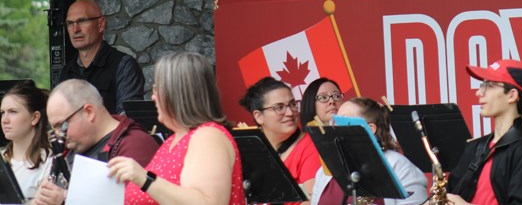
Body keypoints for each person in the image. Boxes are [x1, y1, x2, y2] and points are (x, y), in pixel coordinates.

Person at [108, 52, 246, 205]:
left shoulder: (208, 136)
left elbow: (207, 202)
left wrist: (144, 179)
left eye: (156, 90)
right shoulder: (173, 140)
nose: (153, 97)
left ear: (176, 93)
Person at [30, 79, 159, 205]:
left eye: (61, 125)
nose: (59, 134)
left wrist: (66, 199)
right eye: (54, 128)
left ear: (89, 112)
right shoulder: (70, 147)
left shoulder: (134, 145)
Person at [446, 59, 522, 205]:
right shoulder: (475, 147)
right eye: (482, 85)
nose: (479, 93)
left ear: (512, 95)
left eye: (490, 86)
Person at [310, 97, 427, 205]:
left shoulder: (399, 166)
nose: (335, 128)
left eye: (343, 121)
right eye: (335, 121)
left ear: (370, 129)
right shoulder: (326, 170)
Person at [239, 76, 319, 204]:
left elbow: (311, 202)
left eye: (292, 104)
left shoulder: (310, 146)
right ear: (259, 116)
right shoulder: (249, 151)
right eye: (279, 107)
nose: (290, 112)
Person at [58, 0, 145, 114]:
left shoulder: (123, 66)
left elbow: (127, 123)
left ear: (101, 24)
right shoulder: (65, 73)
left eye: (82, 21)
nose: (75, 29)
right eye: (70, 23)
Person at [1, 80, 52, 202]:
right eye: (2, 113)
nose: (4, 120)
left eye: (13, 112)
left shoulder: (49, 163)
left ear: (34, 117)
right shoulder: (2, 157)